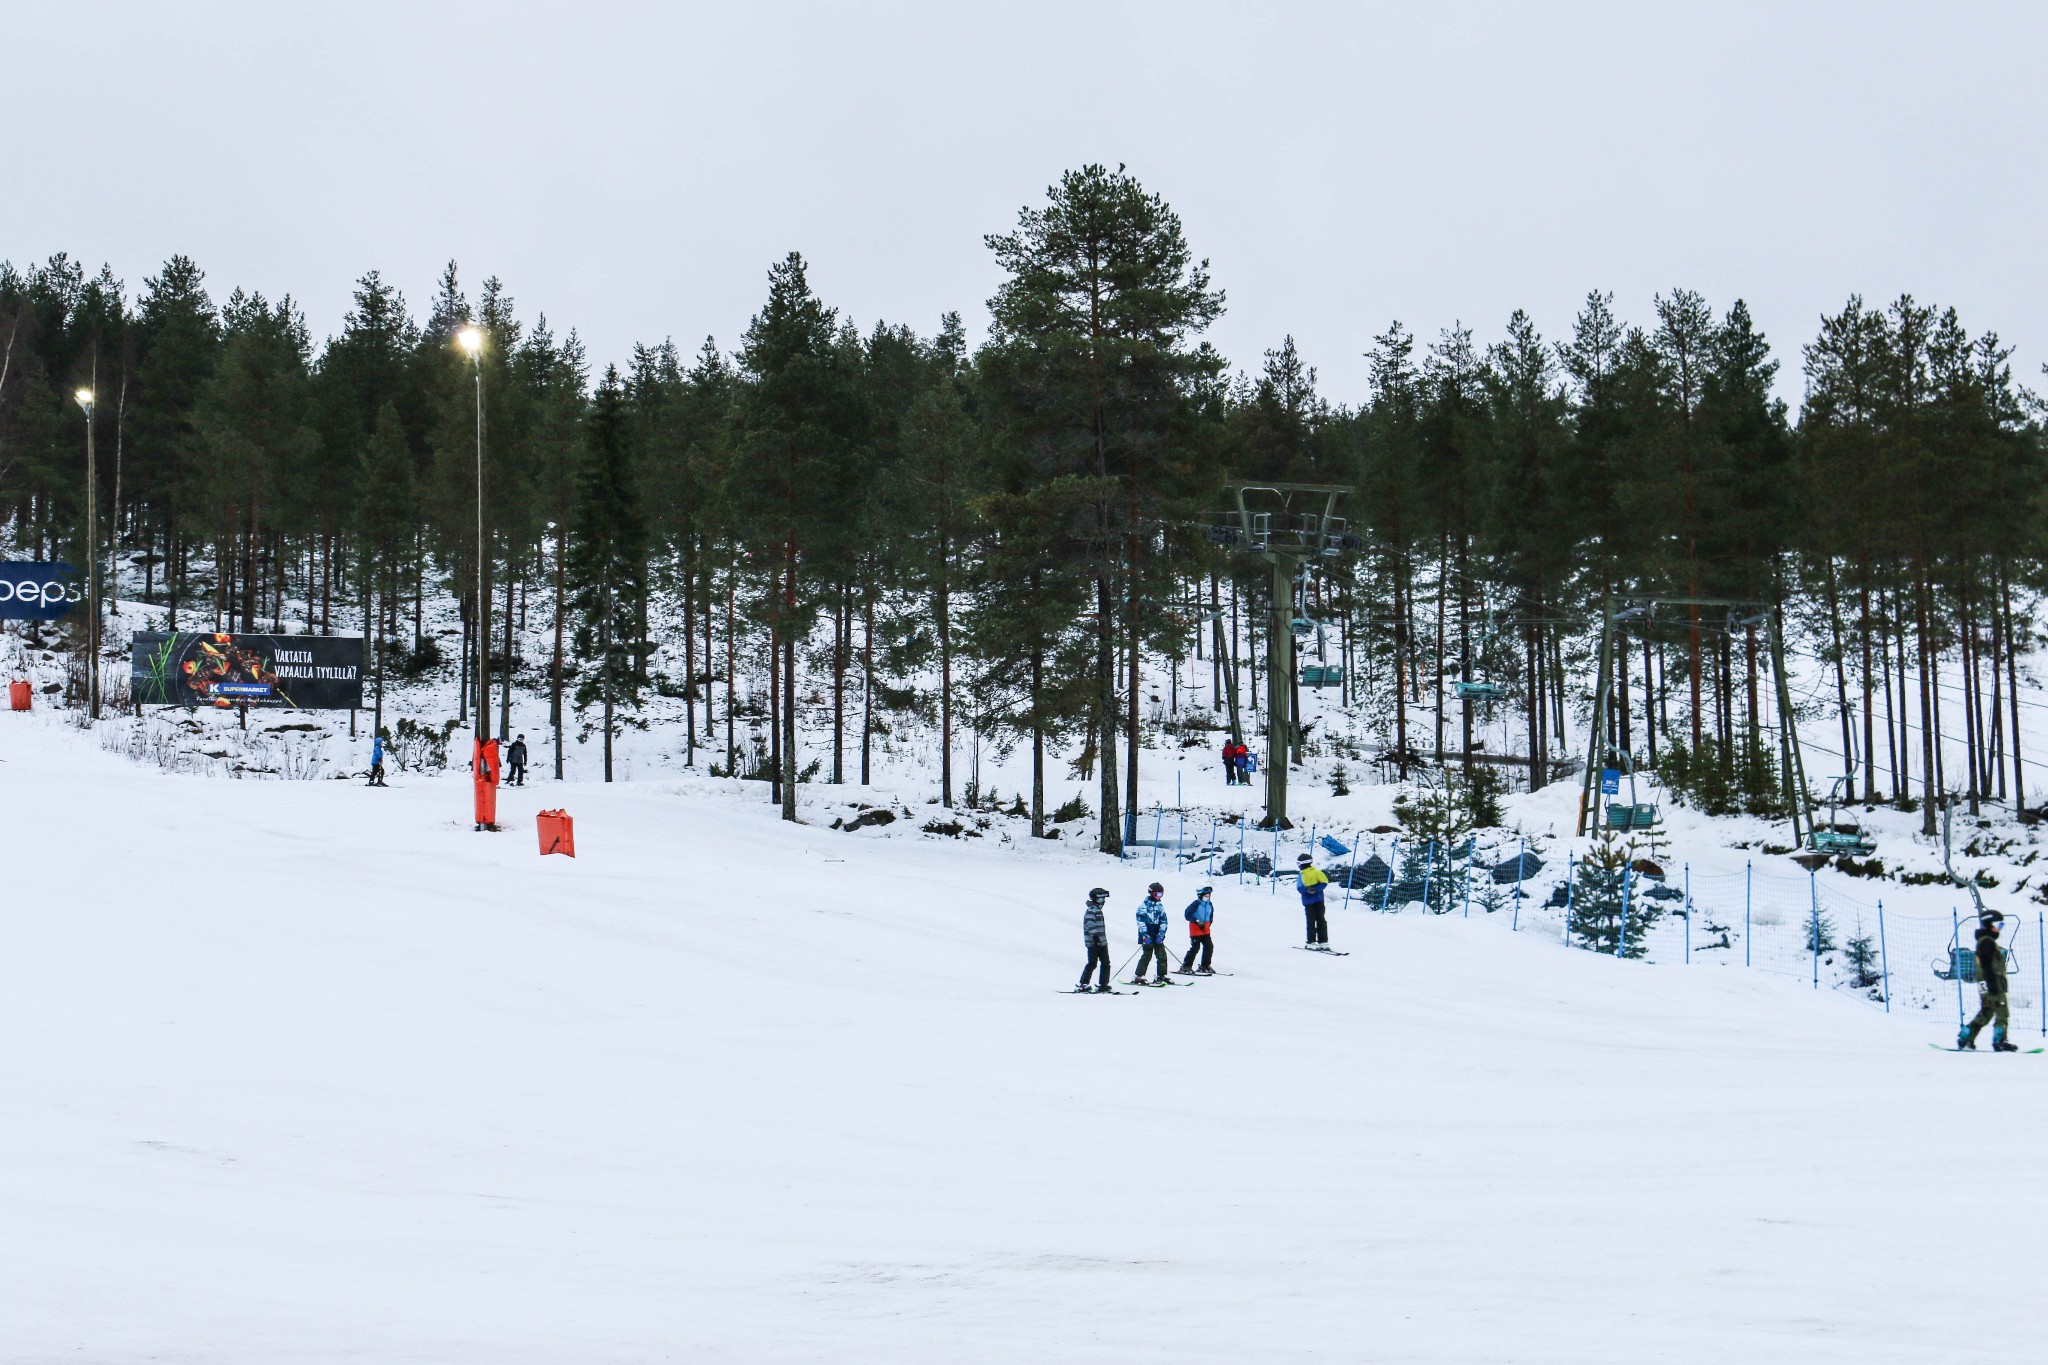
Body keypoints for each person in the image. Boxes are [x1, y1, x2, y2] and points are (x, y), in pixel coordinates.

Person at [1960, 910, 2017, 1051]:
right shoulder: (1987, 942)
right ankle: (2000, 1040)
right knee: (2002, 1011)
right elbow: (1987, 964)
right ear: (1990, 924)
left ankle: (1966, 1036)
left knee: (1987, 1012)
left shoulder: (1984, 941)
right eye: (1999, 924)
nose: (2000, 928)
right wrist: (1993, 984)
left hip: (1986, 983)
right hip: (1992, 983)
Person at [1134, 882, 1171, 984]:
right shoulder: (1143, 906)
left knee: (1162, 955)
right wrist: (1144, 935)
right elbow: (1140, 921)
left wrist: (1161, 934)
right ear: (1151, 893)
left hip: (1157, 934)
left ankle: (1162, 975)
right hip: (1147, 934)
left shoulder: (1160, 906)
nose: (1159, 897)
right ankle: (1139, 975)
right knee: (1147, 955)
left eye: (1161, 894)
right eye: (1157, 894)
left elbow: (1164, 921)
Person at [1079, 887, 1113, 993]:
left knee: (1106, 963)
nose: (1103, 902)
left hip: (1102, 942)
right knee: (1092, 963)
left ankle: (1103, 984)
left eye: (1103, 899)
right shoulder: (1091, 910)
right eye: (1100, 899)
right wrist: (1095, 937)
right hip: (1093, 943)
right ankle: (1083, 984)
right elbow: (1090, 925)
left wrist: (1101, 940)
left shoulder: (1097, 910)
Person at [1296, 853, 1331, 948]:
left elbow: (1299, 888)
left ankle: (1311, 942)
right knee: (1321, 920)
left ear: (1301, 864)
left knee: (1311, 921)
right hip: (1319, 900)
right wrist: (1317, 889)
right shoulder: (1317, 871)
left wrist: (1307, 890)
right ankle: (1323, 941)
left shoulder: (1302, 875)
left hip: (1308, 902)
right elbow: (1324, 882)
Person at [1180, 885, 1216, 974]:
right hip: (1196, 928)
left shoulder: (1209, 904)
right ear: (1200, 895)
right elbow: (1187, 915)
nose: (1207, 898)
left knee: (1209, 946)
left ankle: (1205, 965)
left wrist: (1209, 923)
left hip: (1205, 928)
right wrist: (1197, 921)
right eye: (1205, 896)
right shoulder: (1195, 904)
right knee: (1195, 947)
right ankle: (1186, 966)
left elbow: (1211, 915)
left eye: (1208, 896)